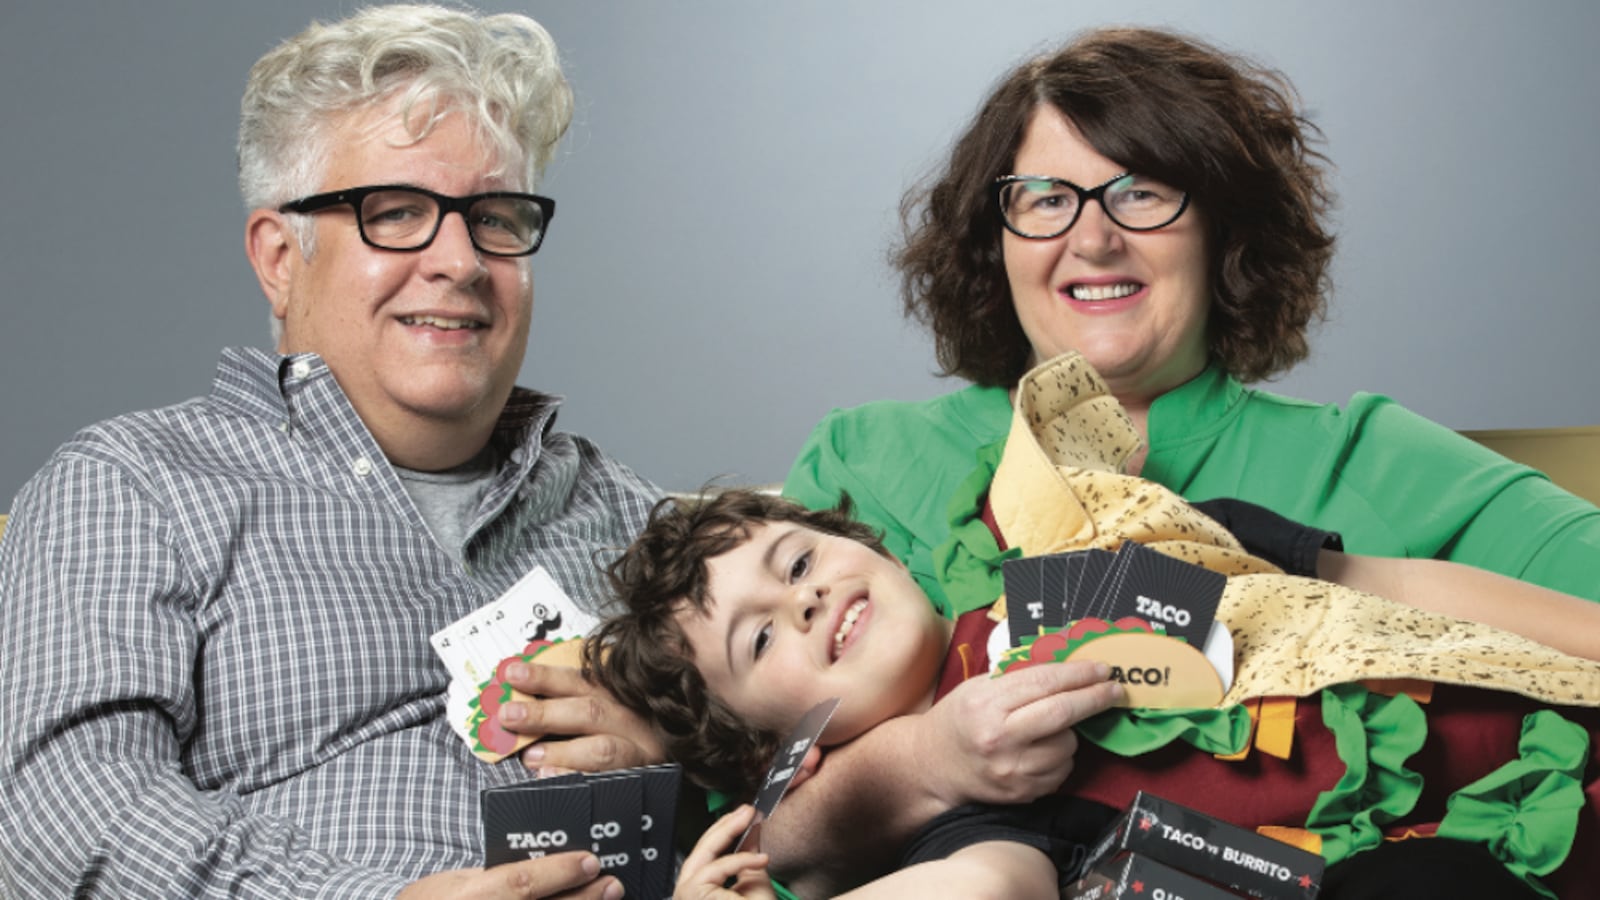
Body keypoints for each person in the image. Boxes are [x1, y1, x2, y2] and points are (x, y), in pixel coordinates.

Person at [772, 23, 1600, 894]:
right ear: (996, 236)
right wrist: (920, 763)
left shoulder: (1368, 453)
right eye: (1046, 198)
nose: (1091, 240)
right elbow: (753, 829)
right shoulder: (863, 462)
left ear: (1224, 230)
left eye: (1142, 192)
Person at [0, 6, 664, 898]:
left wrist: (681, 749)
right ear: (280, 258)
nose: (461, 261)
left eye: (497, 218)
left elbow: (802, 767)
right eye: (398, 213)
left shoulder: (632, 517)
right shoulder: (134, 487)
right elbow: (60, 813)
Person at [590, 452, 1600, 899]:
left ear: (869, 546)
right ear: (772, 745)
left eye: (799, 563)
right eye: (757, 643)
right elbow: (980, 891)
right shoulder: (972, 814)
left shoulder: (1107, 548)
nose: (802, 603)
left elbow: (1391, 583)